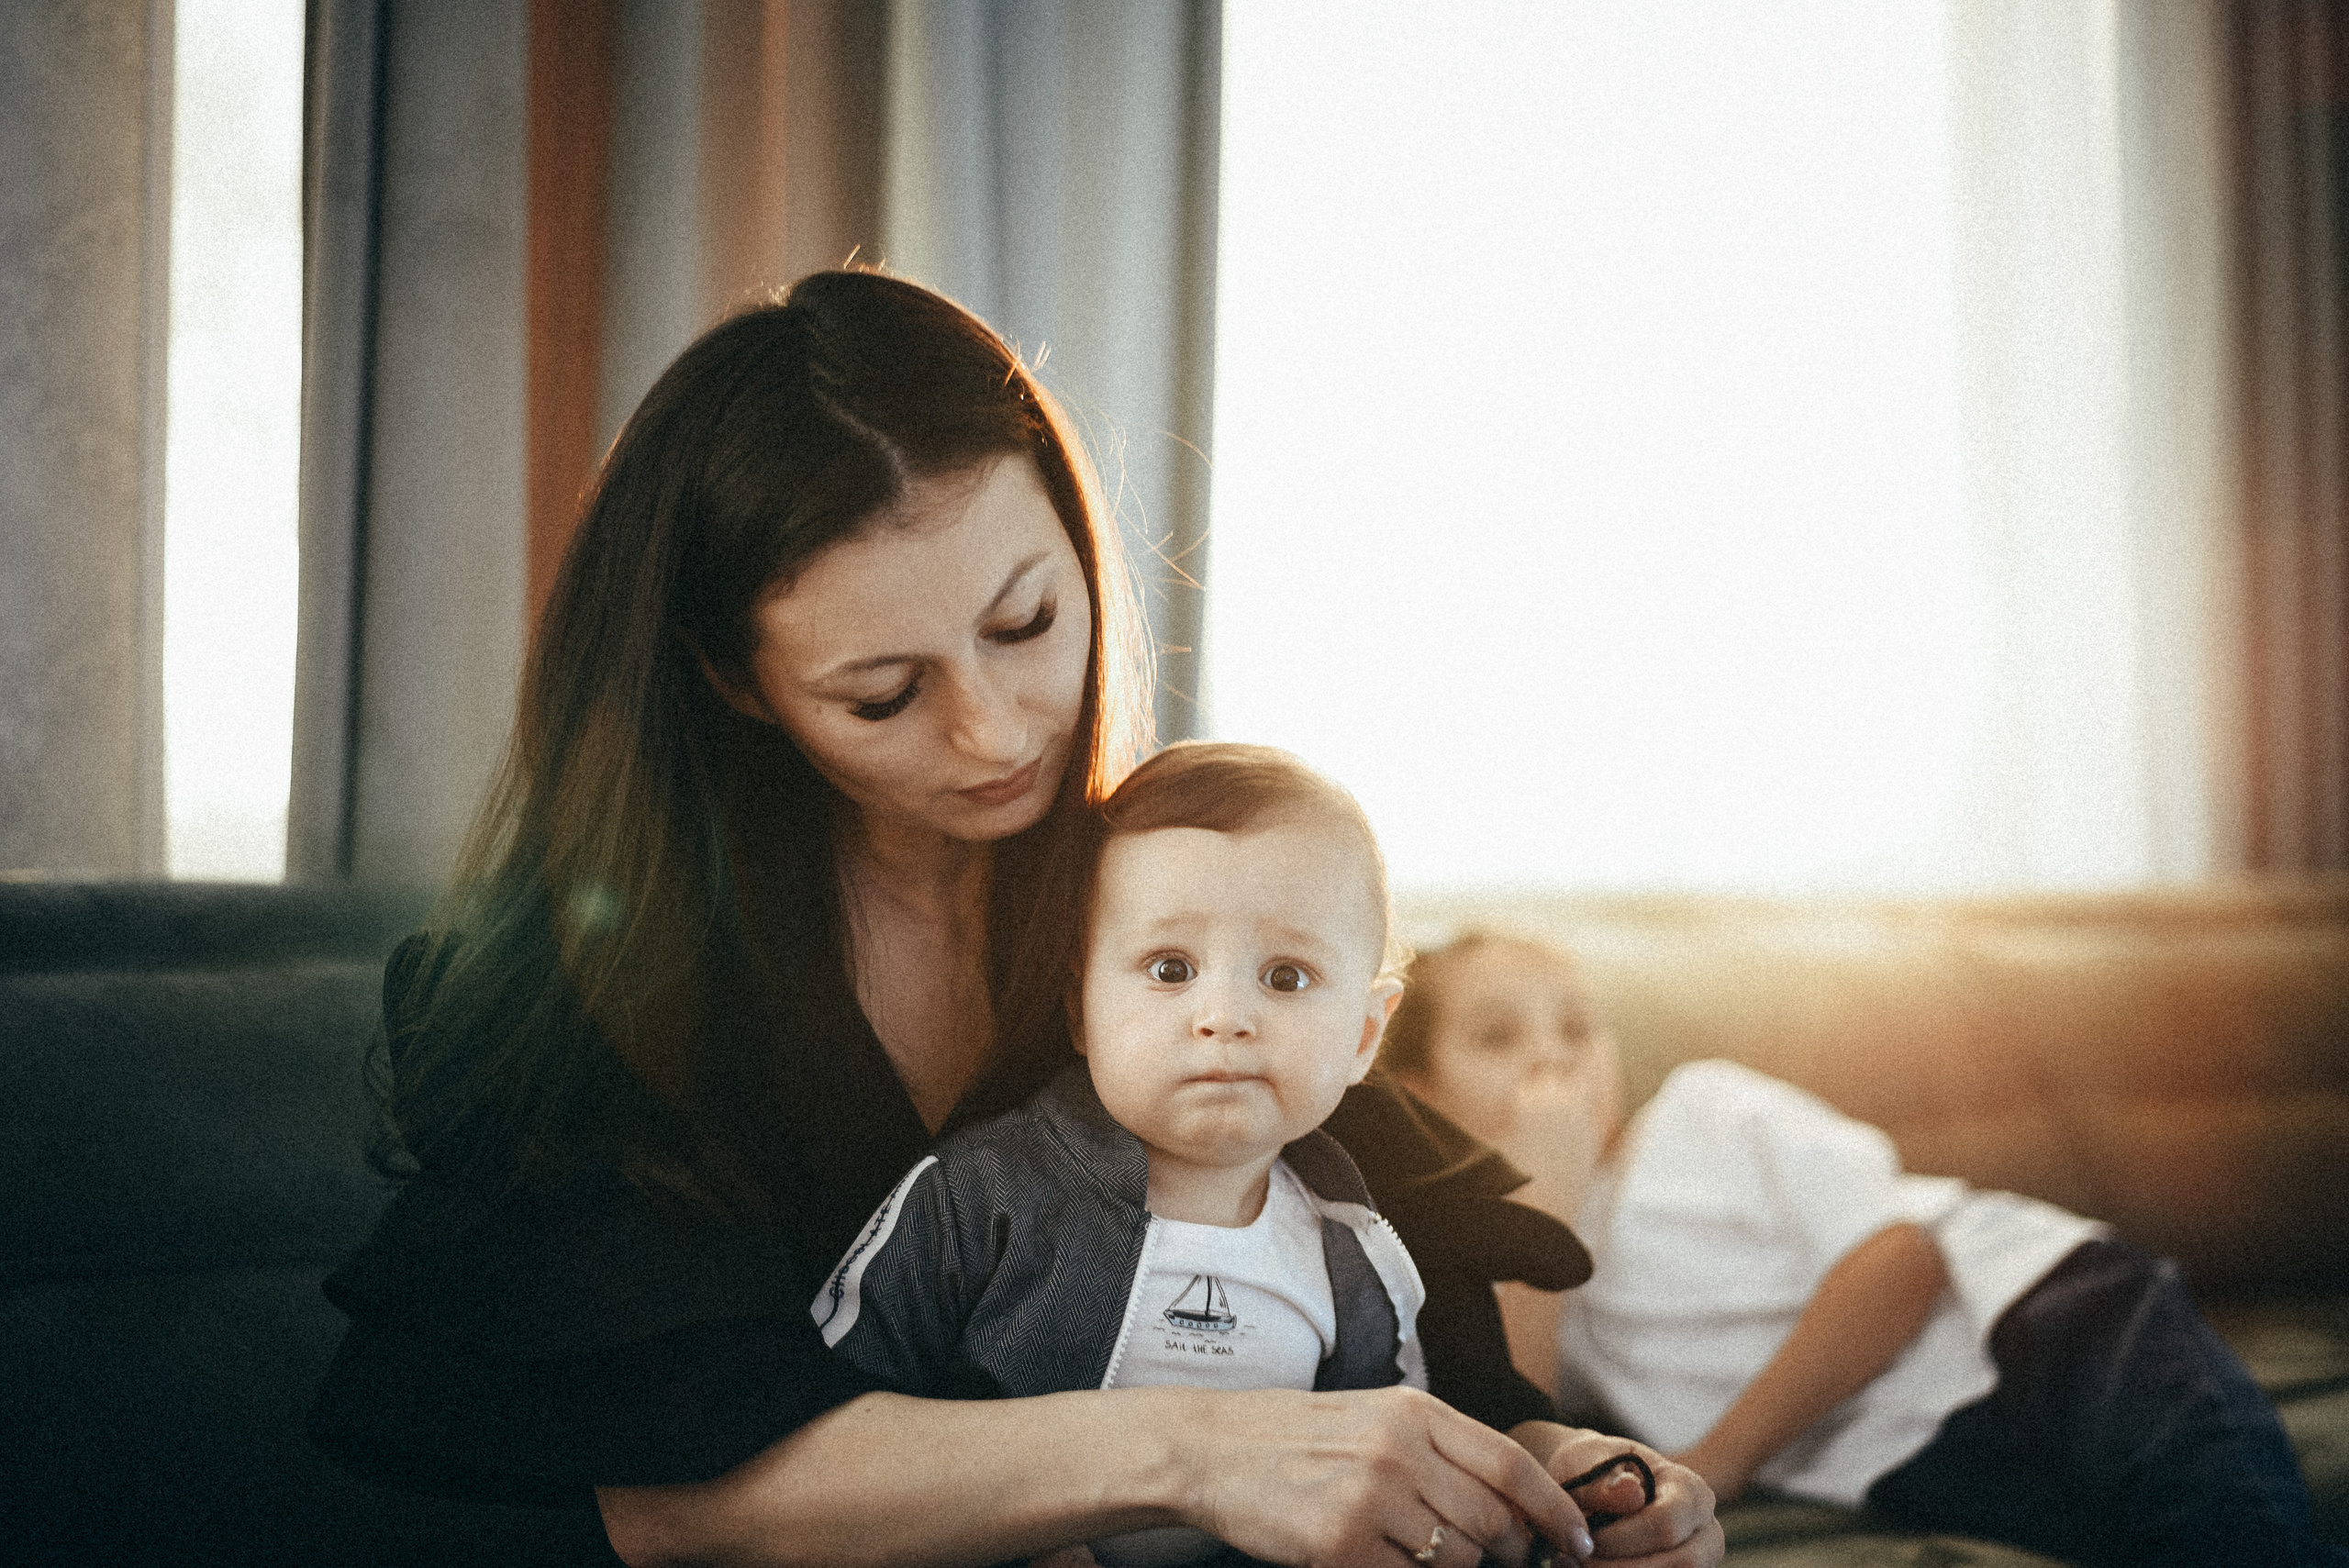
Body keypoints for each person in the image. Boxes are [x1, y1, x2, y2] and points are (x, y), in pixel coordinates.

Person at [306, 270, 1723, 1568]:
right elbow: (678, 1493)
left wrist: (1557, 1474)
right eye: (883, 693)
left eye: (1028, 623)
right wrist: (1193, 1451)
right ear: (735, 683)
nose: (994, 731)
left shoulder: (1173, 911)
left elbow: (1410, 1352)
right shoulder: (599, 984)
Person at [816, 743, 1653, 1567]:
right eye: (1170, 968)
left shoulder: (1356, 1242)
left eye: (1285, 977)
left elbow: (1408, 1447)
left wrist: (1569, 1474)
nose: (1224, 1014)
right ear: (1081, 1008)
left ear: (1364, 1035)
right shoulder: (980, 1195)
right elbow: (839, 1410)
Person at [1386, 929, 2349, 1568]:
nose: (1553, 1058)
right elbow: (1520, 1414)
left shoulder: (1703, 1109)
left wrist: (1716, 1459)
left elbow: (1897, 1260)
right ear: (1421, 1093)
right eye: (1499, 1036)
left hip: (2047, 1317)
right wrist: (1540, 1189)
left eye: (1576, 1028)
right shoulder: (1502, 1268)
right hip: (1902, 1455)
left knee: (2228, 1521)